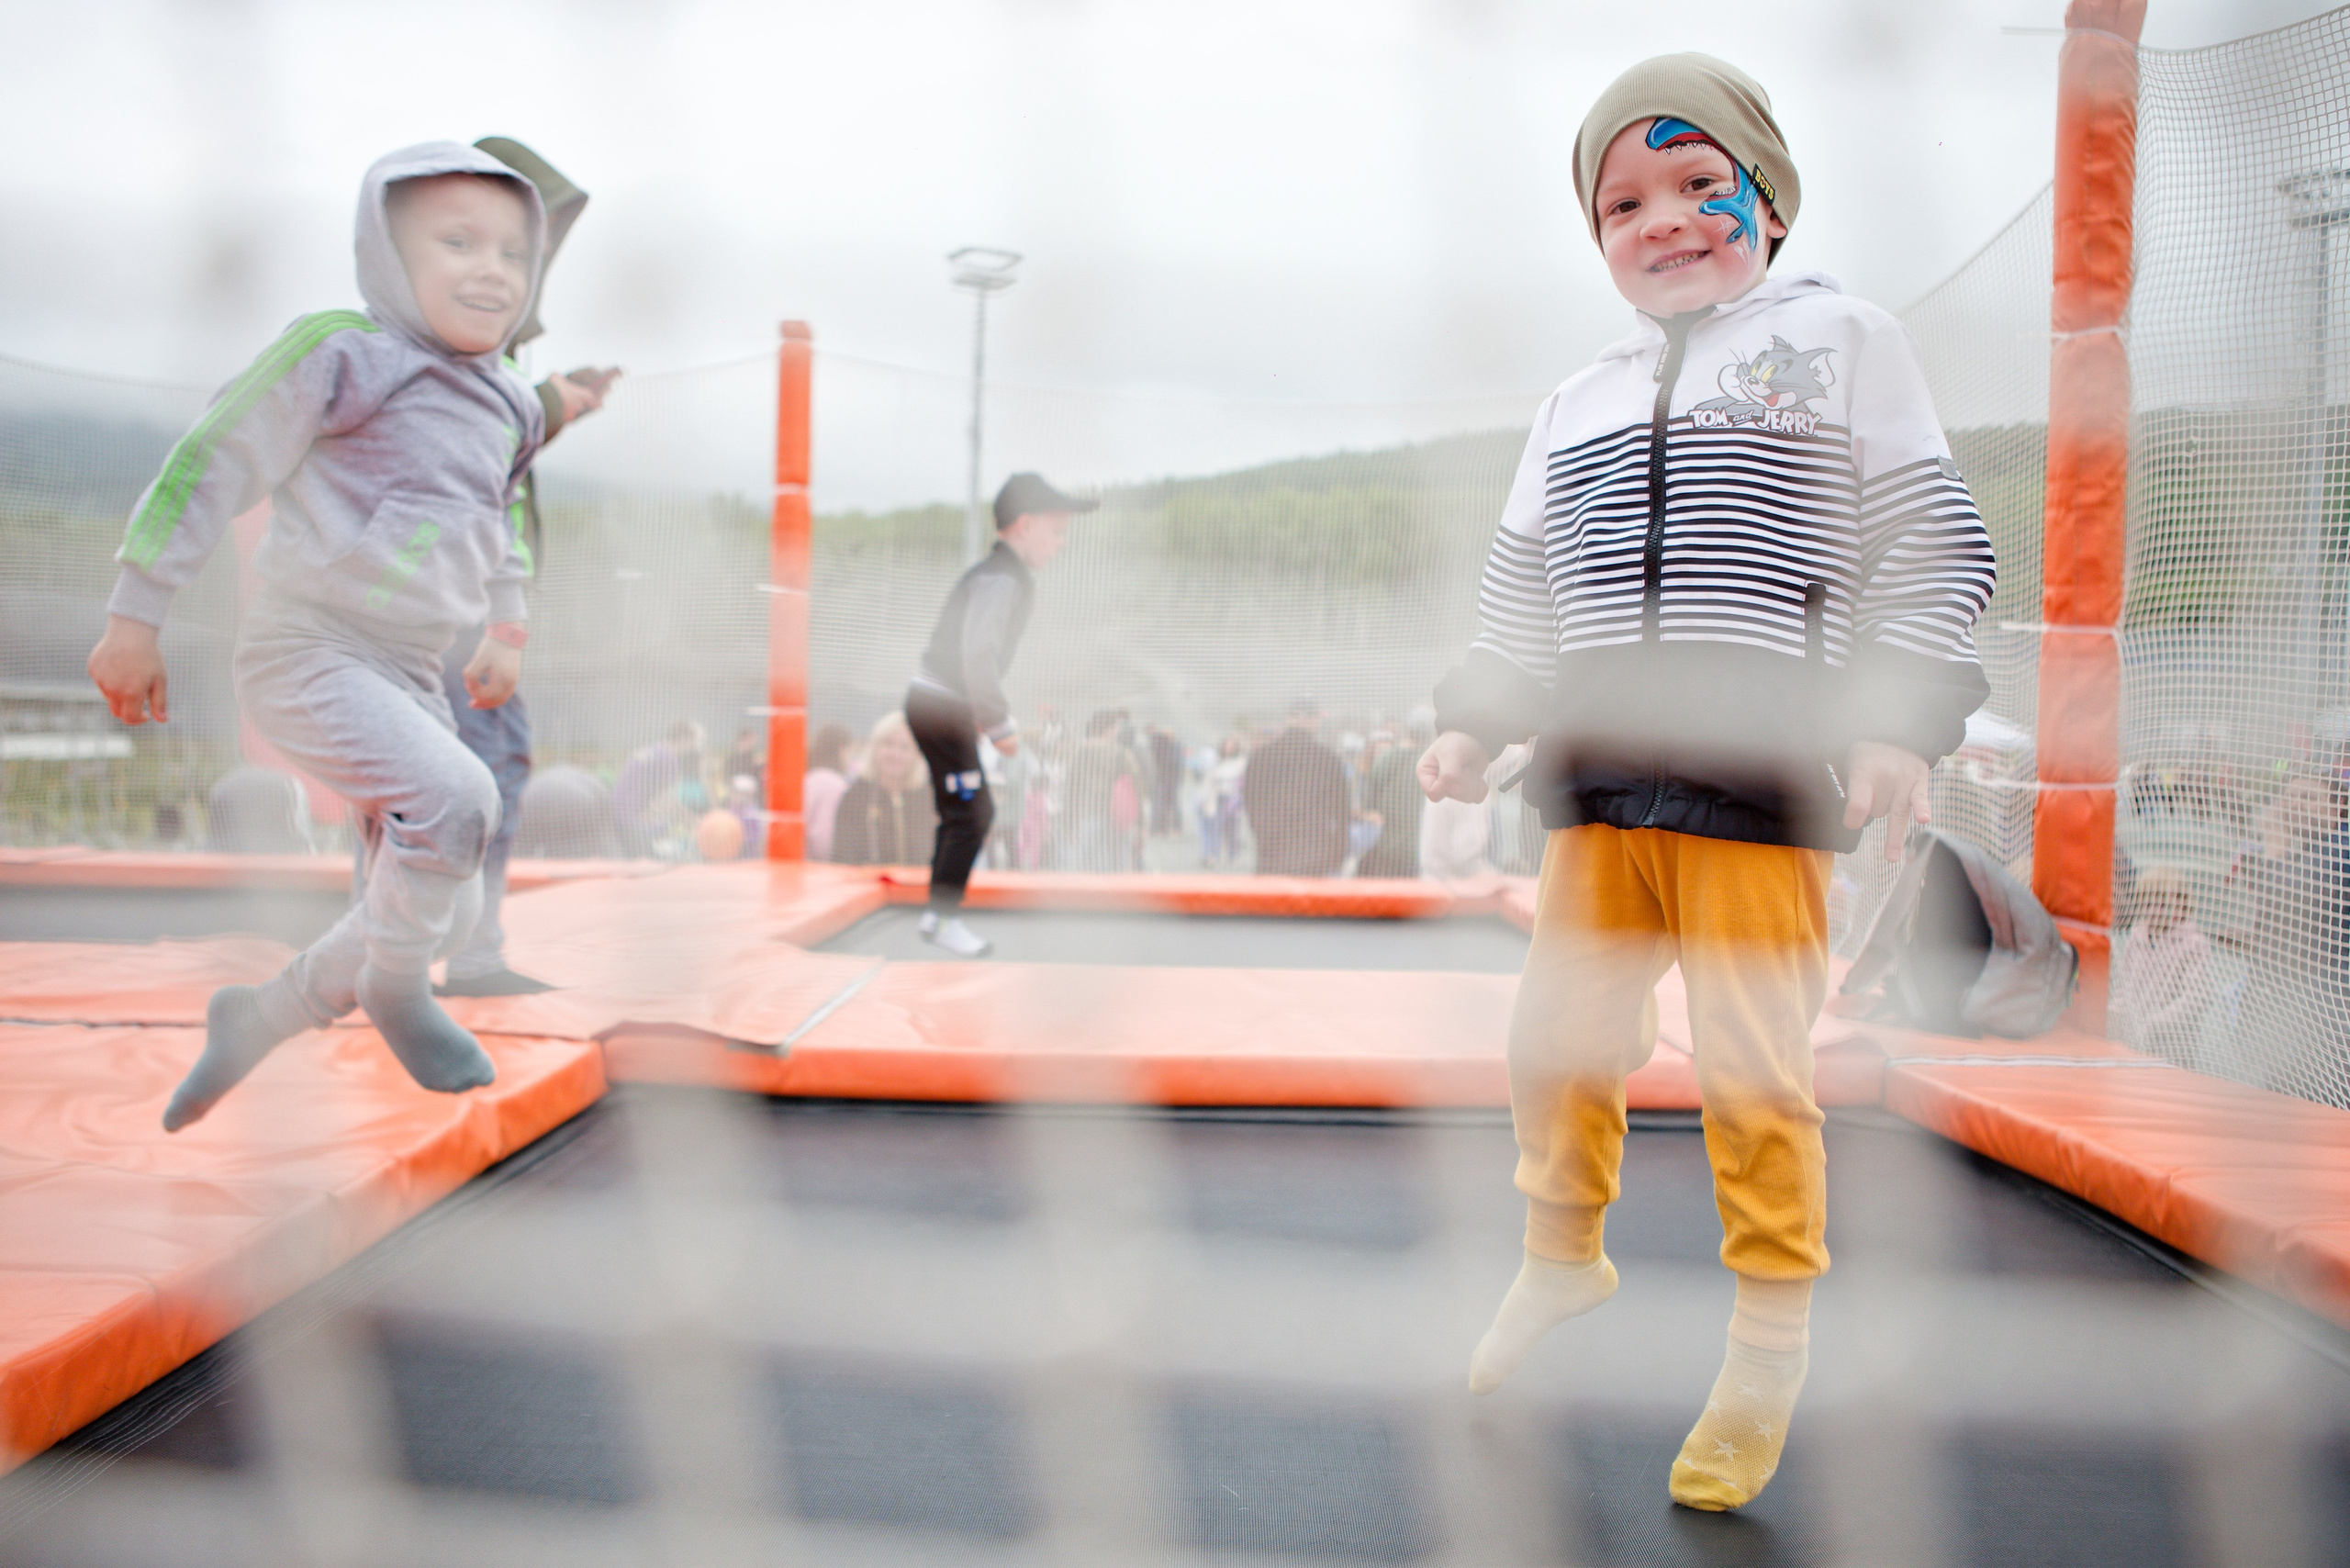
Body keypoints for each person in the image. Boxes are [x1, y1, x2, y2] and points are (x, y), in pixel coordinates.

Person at [1418, 57, 1995, 1512]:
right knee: (1551, 1043)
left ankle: (1767, 1342)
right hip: (1602, 784)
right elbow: (1523, 596)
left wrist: (1895, 723)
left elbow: (1929, 545)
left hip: (1753, 781)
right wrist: (1474, 721)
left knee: (1754, 1075)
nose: (1661, 220)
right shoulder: (1579, 399)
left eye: (1697, 183)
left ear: (1768, 198)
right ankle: (1564, 1256)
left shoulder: (1843, 341)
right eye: (1622, 201)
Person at [88, 142, 558, 1131]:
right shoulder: (349, 352)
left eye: (512, 254)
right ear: (386, 254)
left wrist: (508, 621)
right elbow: (213, 456)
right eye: (457, 243)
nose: (489, 270)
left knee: (453, 902)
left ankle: (261, 1015)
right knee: (459, 797)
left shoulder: (511, 395)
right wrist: (136, 612)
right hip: (307, 645)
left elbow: (499, 509)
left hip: (409, 667)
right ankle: (387, 990)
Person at [405, 136, 619, 999]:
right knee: (470, 772)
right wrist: (556, 404)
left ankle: (423, 955)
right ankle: (435, 957)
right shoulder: (446, 330)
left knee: (473, 769)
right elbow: (463, 444)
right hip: (437, 596)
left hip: (454, 593)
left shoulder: (487, 343)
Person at [903, 472, 1092, 956]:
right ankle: (941, 918)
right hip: (939, 707)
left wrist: (983, 717)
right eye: (1057, 532)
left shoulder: (1000, 575)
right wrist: (999, 725)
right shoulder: (1001, 578)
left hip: (941, 708)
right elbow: (978, 654)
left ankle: (938, 915)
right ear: (1025, 526)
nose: (1061, 544)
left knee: (964, 809)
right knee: (973, 811)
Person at [2110, 865, 2213, 1067]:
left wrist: (2158, 1024)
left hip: (2173, 1051)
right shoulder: (2136, 938)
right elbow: (2125, 990)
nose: (2153, 911)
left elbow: (2199, 997)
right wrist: (2112, 1014)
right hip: (2134, 1046)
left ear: (2180, 905)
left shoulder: (2193, 943)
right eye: (2147, 903)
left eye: (2161, 903)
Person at [1242, 697, 1349, 877]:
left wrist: (1261, 834)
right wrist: (1337, 851)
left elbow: (1251, 802)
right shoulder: (1328, 758)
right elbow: (1341, 810)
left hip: (1271, 850)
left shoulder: (1261, 756)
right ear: (1315, 721)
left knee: (1271, 902)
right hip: (1314, 852)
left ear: (1288, 719)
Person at [832, 711, 938, 867]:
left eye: (905, 747)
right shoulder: (856, 795)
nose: (896, 754)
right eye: (888, 744)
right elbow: (841, 855)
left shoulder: (927, 797)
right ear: (874, 749)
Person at [1060, 710, 1142, 872]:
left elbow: (1070, 789)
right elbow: (1136, 787)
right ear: (1110, 728)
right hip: (1116, 818)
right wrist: (1140, 824)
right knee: (1118, 866)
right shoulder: (1120, 753)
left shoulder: (1080, 752)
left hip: (1087, 816)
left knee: (1085, 867)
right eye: (1116, 726)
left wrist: (1068, 824)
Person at [612, 720, 705, 857]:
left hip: (616, 819)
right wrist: (697, 822)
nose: (692, 748)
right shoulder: (668, 759)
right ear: (684, 738)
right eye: (693, 743)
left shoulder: (654, 750)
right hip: (633, 824)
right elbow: (666, 804)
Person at [1359, 716, 1434, 878]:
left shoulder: (1386, 759)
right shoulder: (1434, 763)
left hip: (1386, 851)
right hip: (1420, 851)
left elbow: (1368, 804)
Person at [803, 722, 854, 862]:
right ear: (841, 749)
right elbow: (824, 838)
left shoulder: (809, 778)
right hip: (819, 870)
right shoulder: (834, 784)